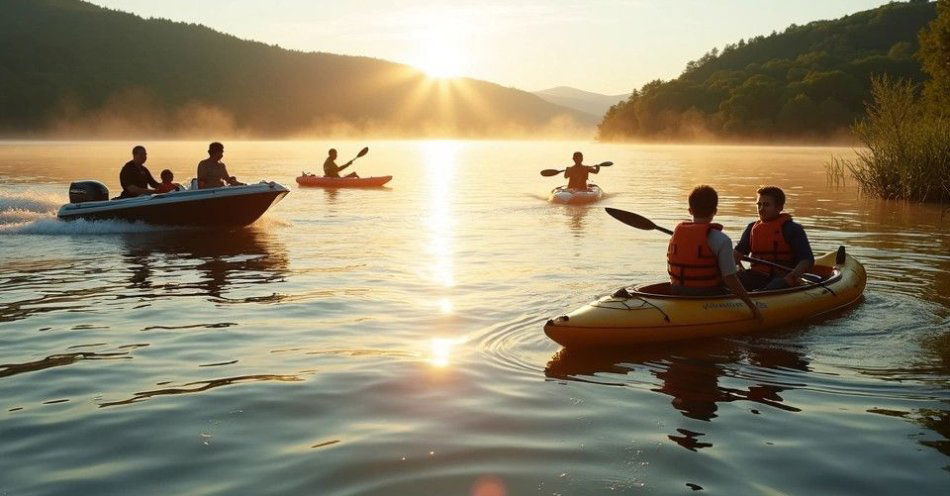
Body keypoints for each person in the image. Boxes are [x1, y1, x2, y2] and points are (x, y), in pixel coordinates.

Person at [667, 185, 762, 320]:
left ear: (690, 210)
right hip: (707, 294)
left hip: (676, 290)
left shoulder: (677, 235)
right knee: (742, 276)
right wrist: (751, 306)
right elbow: (729, 278)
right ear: (715, 211)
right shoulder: (721, 239)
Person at [733, 186, 814, 291]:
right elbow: (736, 256)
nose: (761, 209)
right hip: (757, 275)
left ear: (779, 207)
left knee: (775, 285)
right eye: (759, 204)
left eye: (766, 205)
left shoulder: (792, 229)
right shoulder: (752, 228)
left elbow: (806, 260)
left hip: (783, 278)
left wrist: (790, 278)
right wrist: (737, 269)